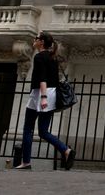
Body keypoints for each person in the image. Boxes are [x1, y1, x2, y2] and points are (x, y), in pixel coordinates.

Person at [15, 31, 75, 170]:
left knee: (28, 129)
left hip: (40, 93)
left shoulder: (39, 57)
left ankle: (26, 162)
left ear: (41, 42)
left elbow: (42, 78)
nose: (34, 40)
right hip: (51, 93)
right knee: (43, 131)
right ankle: (66, 150)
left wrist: (43, 98)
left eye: (36, 38)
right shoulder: (53, 57)